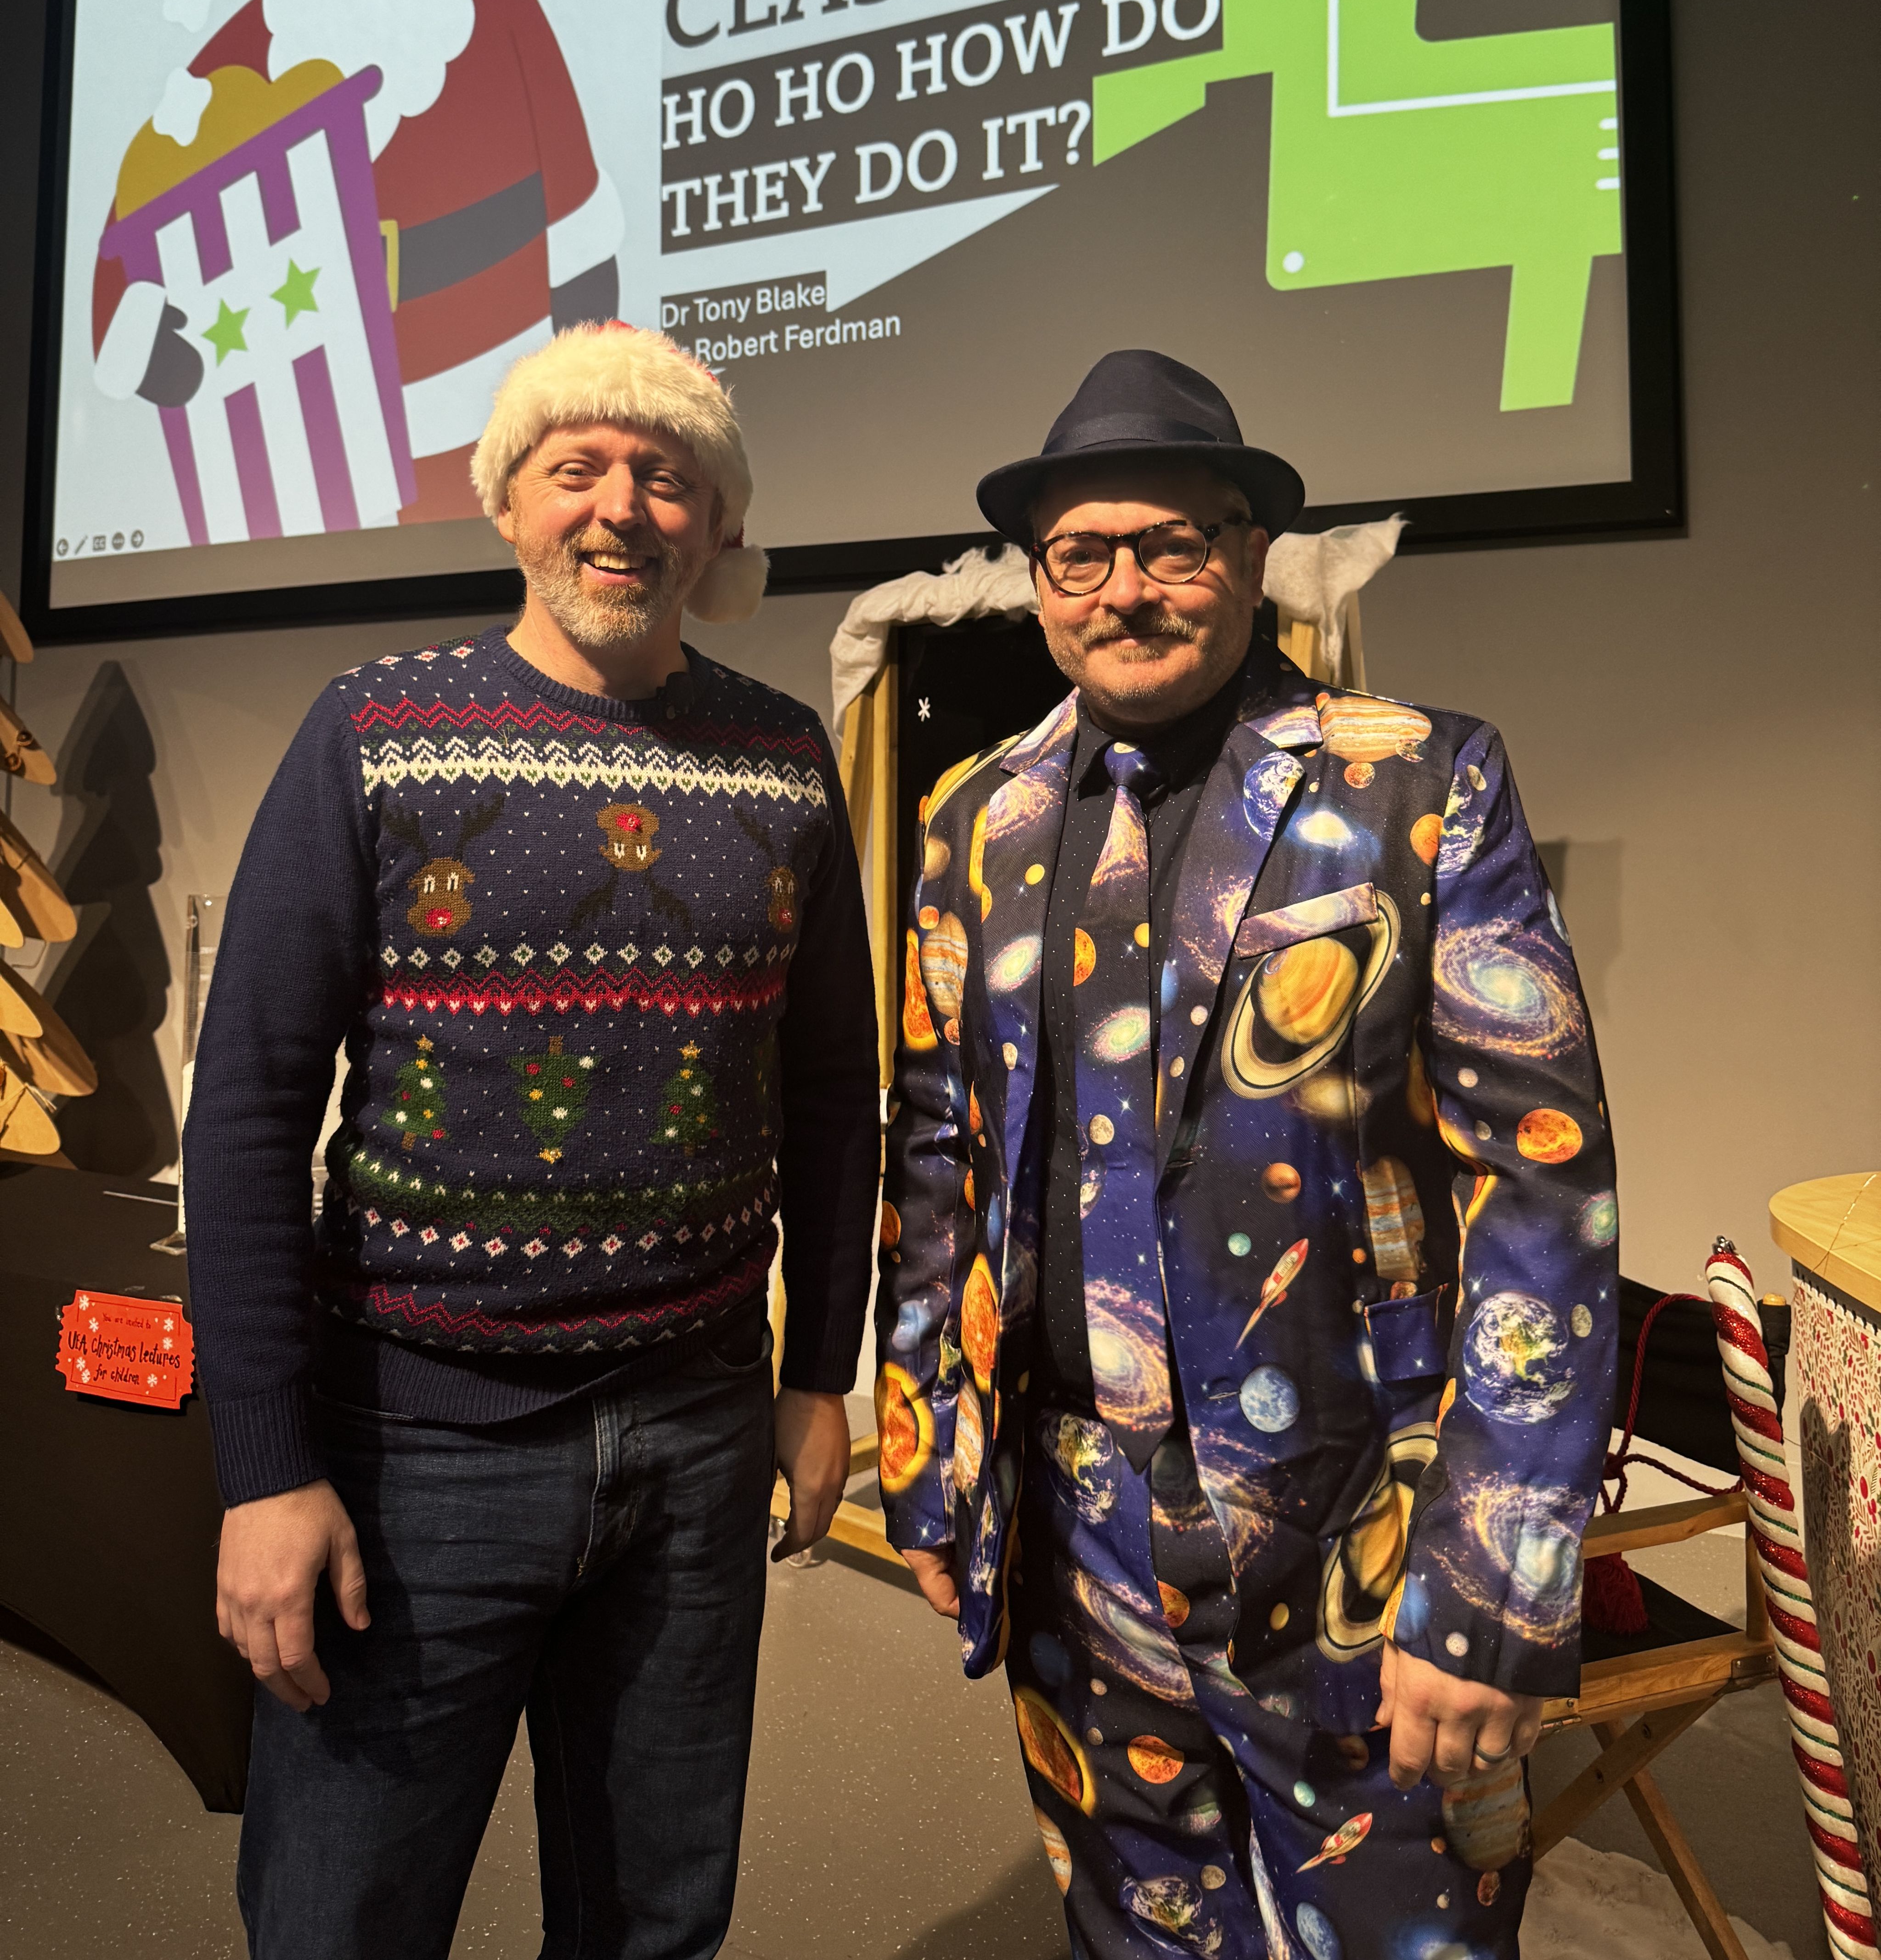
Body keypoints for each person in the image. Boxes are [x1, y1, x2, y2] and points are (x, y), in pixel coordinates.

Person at [874, 349, 1616, 1956]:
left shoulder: (1416, 780)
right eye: (1083, 553)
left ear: (1250, 553)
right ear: (1038, 579)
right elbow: (935, 1155)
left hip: (1367, 1529)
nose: (1127, 588)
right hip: (1077, 1543)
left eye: (1173, 544)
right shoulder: (968, 823)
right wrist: (932, 1466)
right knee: (1139, 1934)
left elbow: (1539, 1192)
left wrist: (1490, 1586)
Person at [186, 321, 880, 1960]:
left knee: (653, 1920)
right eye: (578, 467)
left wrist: (817, 1375)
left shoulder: (784, 757)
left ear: (715, 530)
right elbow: (248, 1117)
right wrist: (264, 1463)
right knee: (338, 1920)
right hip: (413, 1446)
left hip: (699, 1439)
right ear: (508, 501)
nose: (621, 507)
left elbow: (835, 1093)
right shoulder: (372, 730)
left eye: (667, 476)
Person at [92, 0, 623, 520]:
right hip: (311, 442)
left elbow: (575, 193)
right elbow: (146, 193)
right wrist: (136, 326)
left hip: (499, 424)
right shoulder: (260, 34)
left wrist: (592, 382)